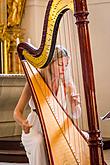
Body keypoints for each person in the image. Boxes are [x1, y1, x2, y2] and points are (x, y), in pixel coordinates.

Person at [13, 45, 81, 165]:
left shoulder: (67, 85)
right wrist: (23, 122)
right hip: (35, 127)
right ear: (50, 64)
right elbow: (17, 112)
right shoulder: (34, 83)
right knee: (39, 141)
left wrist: (75, 105)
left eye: (65, 65)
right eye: (60, 65)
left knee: (83, 137)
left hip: (57, 128)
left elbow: (76, 115)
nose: (63, 69)